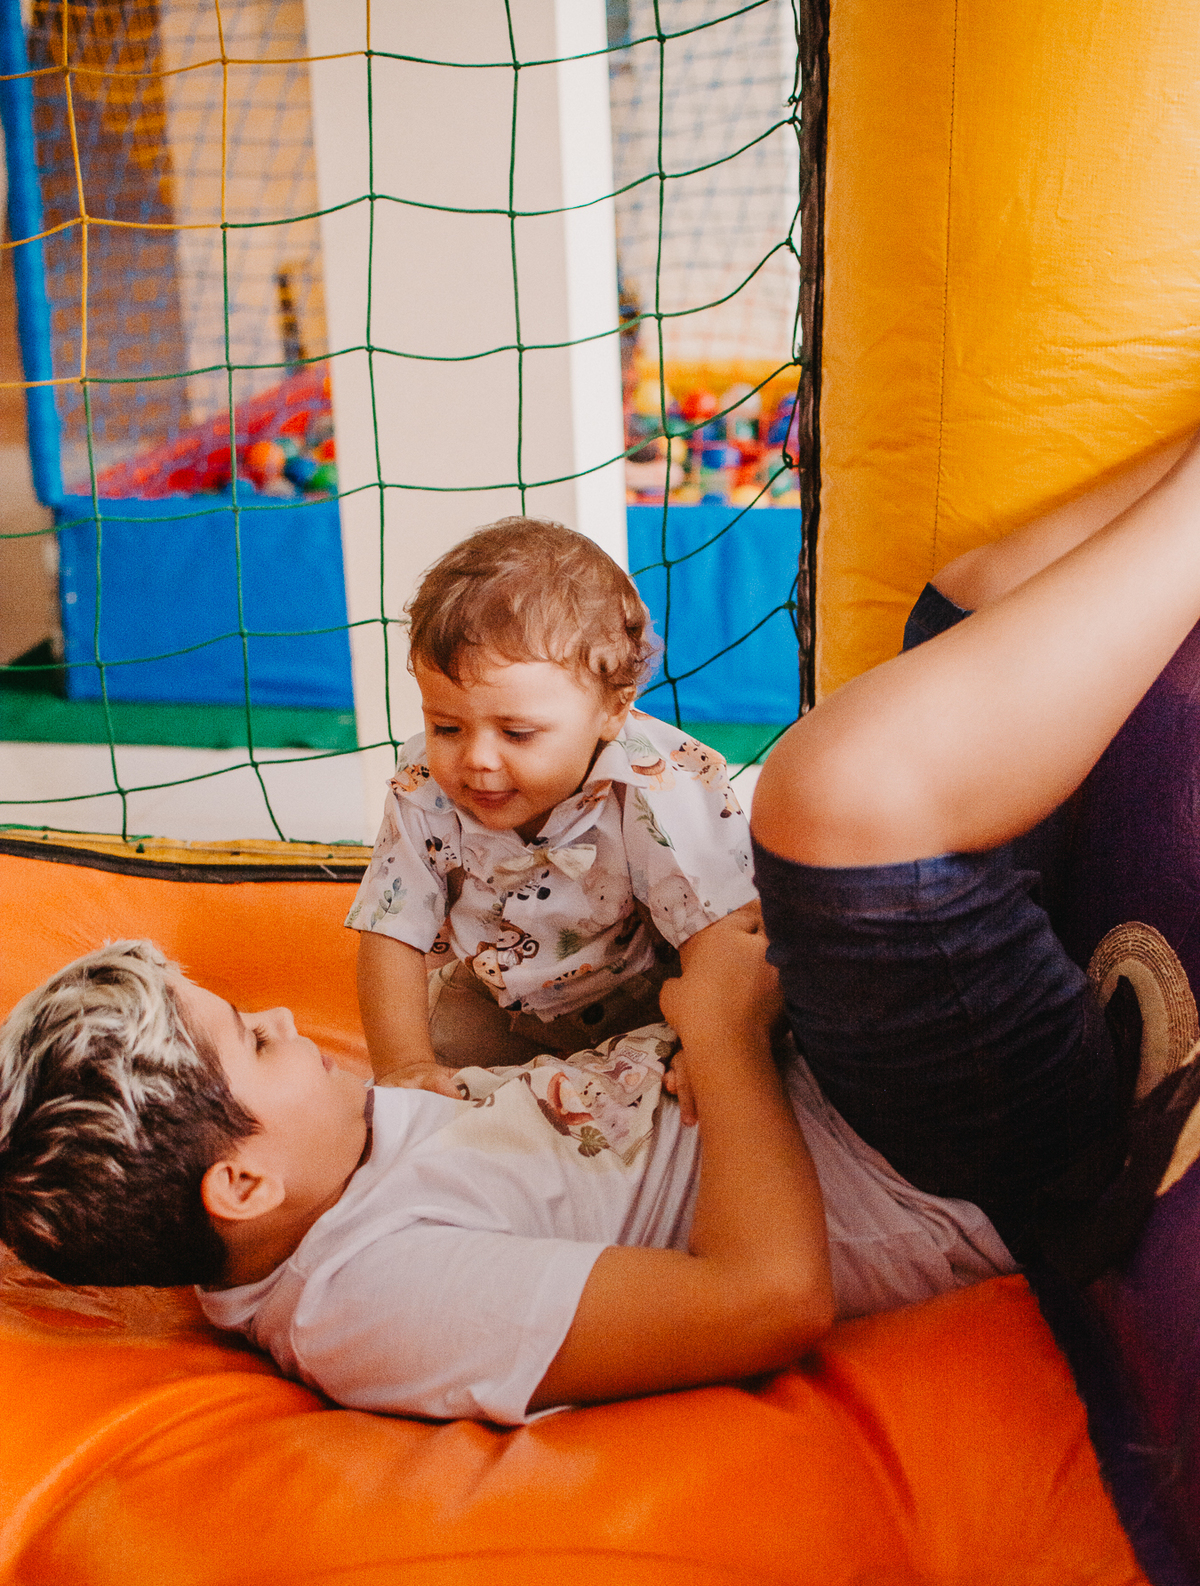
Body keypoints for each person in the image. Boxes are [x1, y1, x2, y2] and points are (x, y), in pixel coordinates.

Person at [2, 427, 1199, 1423]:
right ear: (242, 1182)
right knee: (828, 794)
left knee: (965, 597)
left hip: (845, 1066)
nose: (280, 1016)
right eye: (253, 1039)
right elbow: (768, 1302)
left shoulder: (331, 1186)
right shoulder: (368, 1301)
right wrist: (721, 1037)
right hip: (936, 1162)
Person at [347, 516, 758, 1093]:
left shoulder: (659, 783)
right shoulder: (423, 785)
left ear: (612, 710)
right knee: (428, 1056)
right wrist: (404, 1068)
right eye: (446, 727)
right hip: (500, 1001)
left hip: (645, 1001)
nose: (477, 759)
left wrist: (712, 1047)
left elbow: (720, 932)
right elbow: (390, 932)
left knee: (690, 1071)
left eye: (517, 733)